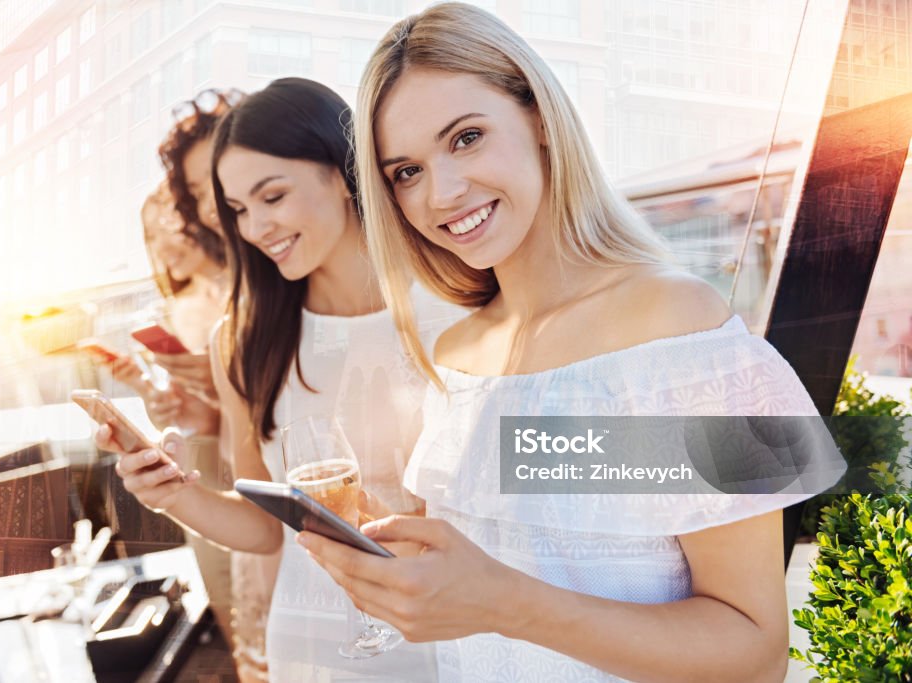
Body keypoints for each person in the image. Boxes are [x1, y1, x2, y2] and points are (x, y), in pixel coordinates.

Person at [300, 4, 845, 682]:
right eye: (405, 171)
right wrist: (387, 553)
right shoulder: (459, 356)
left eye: (466, 137)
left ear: (538, 118)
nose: (442, 191)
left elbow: (754, 652)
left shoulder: (678, 333)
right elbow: (523, 550)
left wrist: (502, 601)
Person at [97, 78, 465, 682]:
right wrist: (172, 494)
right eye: (239, 210)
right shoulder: (242, 340)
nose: (254, 227)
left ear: (343, 174)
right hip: (317, 646)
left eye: (273, 196)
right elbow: (267, 531)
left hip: (453, 632)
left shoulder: (463, 301)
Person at [100, 90, 242, 654]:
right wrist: (182, 400)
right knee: (233, 586)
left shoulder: (259, 292)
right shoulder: (200, 305)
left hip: (241, 458)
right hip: (220, 453)